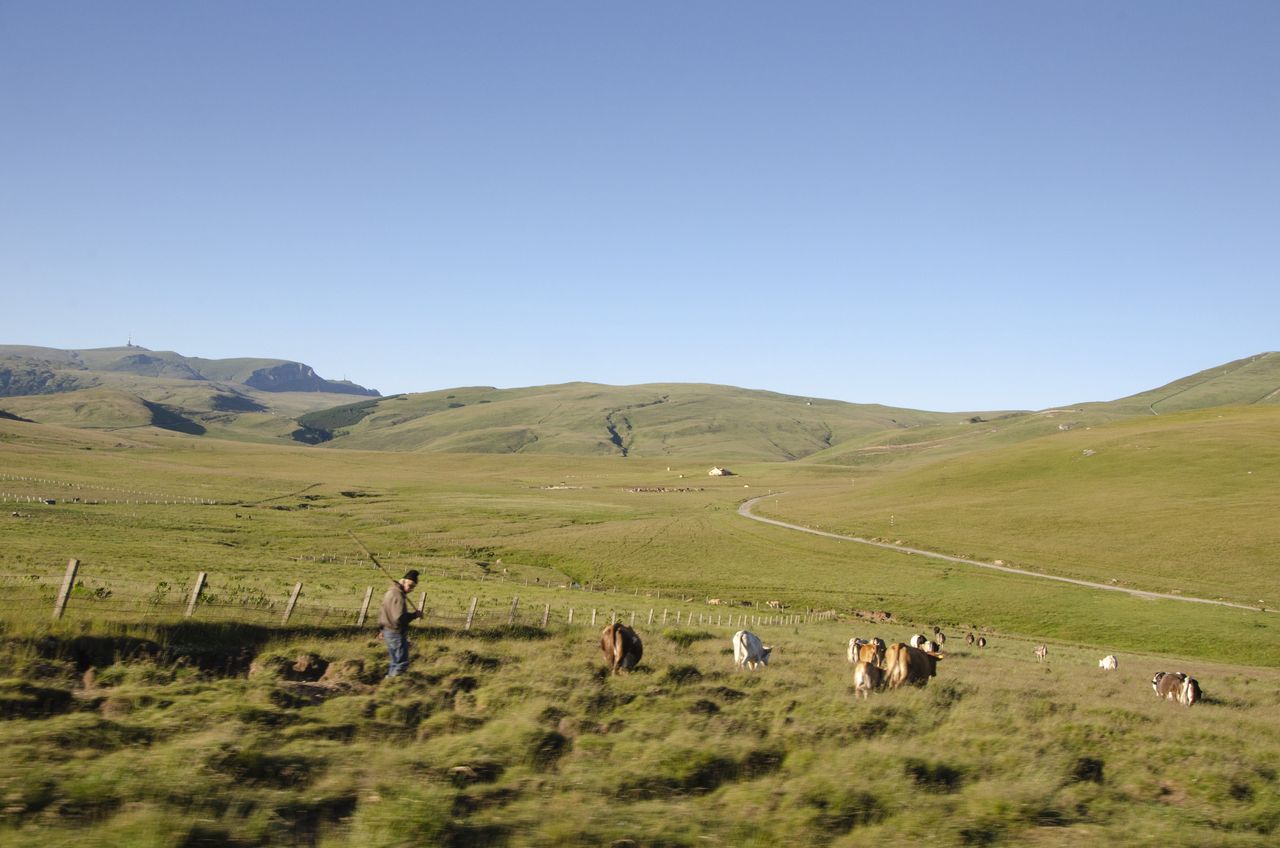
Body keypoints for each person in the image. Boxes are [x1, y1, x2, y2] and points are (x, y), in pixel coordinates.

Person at [378, 569, 422, 677]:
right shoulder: (398, 595)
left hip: (388, 631)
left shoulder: (391, 592)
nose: (411, 589)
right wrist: (414, 615)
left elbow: (383, 613)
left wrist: (382, 630)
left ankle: (388, 682)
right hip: (395, 633)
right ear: (403, 581)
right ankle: (394, 685)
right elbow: (400, 618)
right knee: (402, 663)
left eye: (413, 587)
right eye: (410, 585)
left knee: (395, 662)